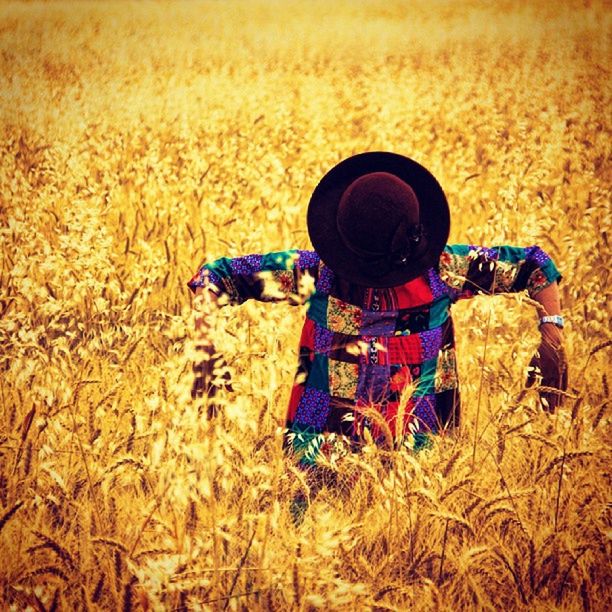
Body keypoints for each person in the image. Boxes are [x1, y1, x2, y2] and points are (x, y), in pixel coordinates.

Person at [187, 152, 568, 521]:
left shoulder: (444, 270)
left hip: (421, 454)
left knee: (411, 549)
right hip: (322, 451)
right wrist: (204, 344)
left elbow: (536, 265)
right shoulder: (316, 273)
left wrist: (551, 337)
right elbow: (216, 277)